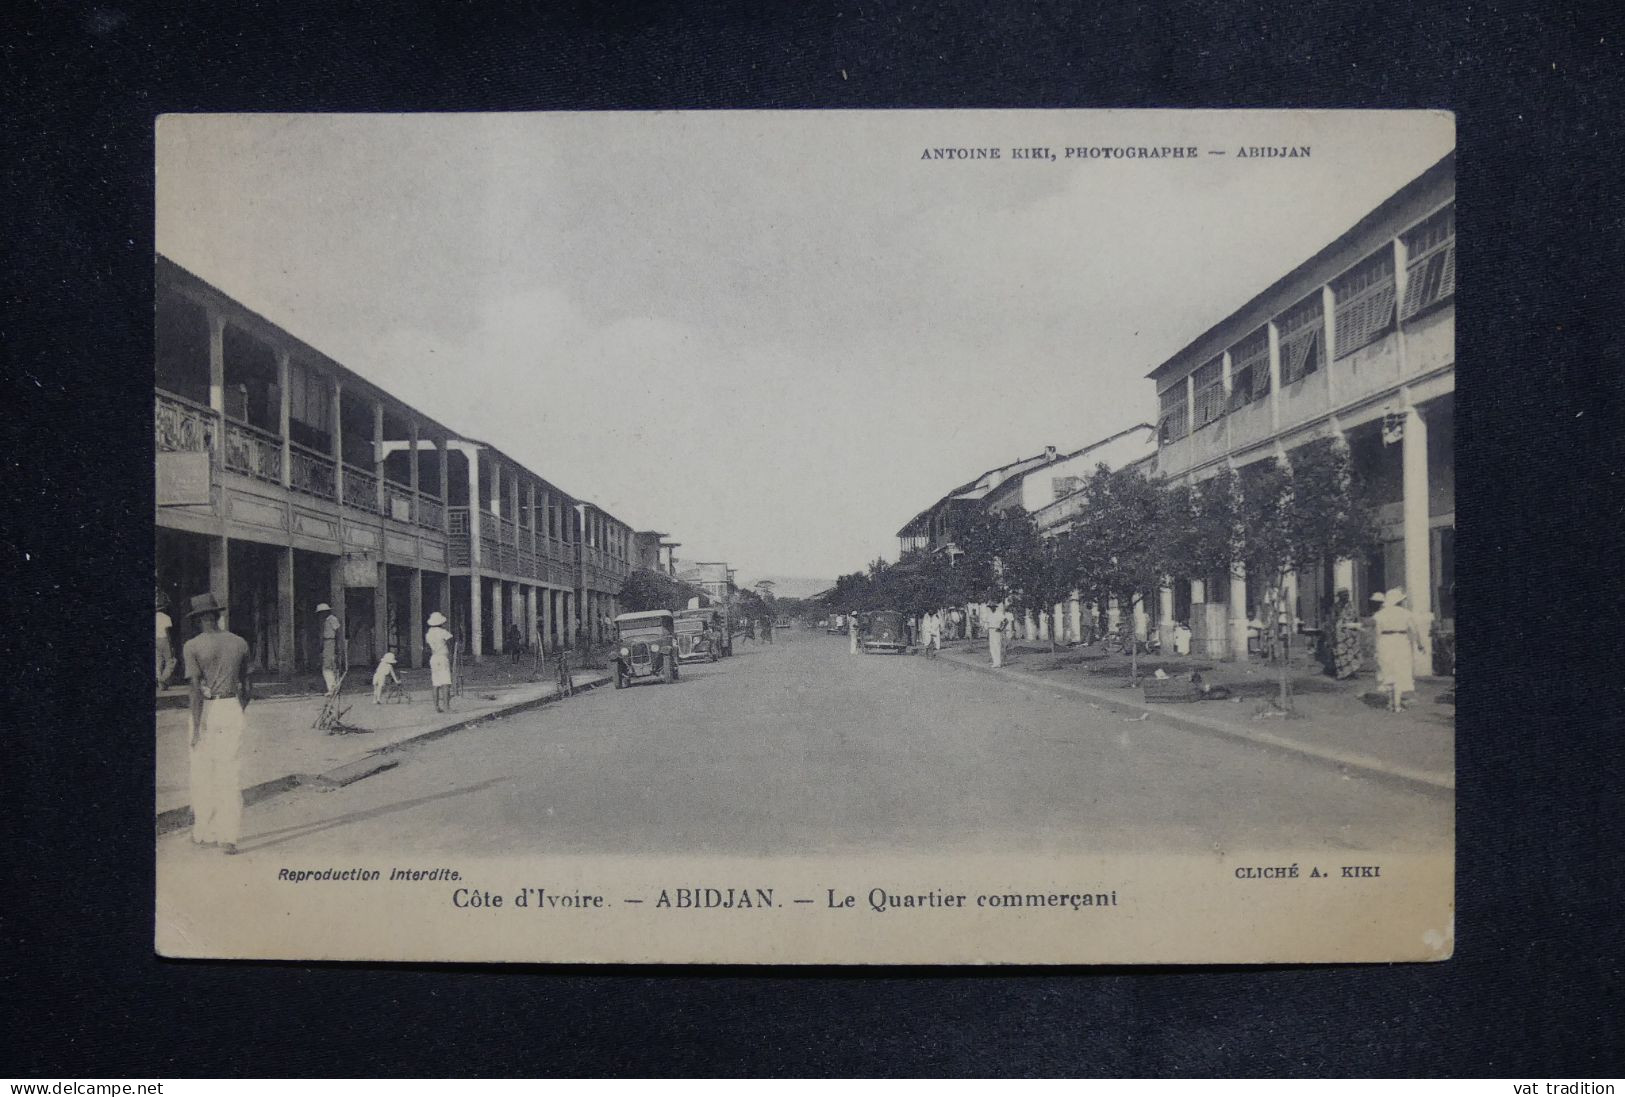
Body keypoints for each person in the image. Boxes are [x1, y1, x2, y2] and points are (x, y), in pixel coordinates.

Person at [181, 592, 251, 854]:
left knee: (202, 773)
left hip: (207, 711)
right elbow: (249, 687)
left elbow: (195, 690)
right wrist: (235, 709)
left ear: (199, 619)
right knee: (230, 772)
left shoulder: (193, 646)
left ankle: (203, 832)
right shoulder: (239, 643)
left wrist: (197, 727)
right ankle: (229, 837)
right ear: (218, 615)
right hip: (231, 707)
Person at [1373, 588, 1424, 711]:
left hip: (1385, 642)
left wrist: (1376, 648)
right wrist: (1419, 644)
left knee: (1388, 670)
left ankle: (1391, 702)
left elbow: (1377, 632)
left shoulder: (1380, 614)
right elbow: (1414, 630)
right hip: (1401, 641)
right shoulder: (1406, 613)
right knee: (1400, 671)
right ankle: (1397, 704)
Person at [1328, 589, 1363, 680]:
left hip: (1351, 631)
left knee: (1353, 651)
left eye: (1347, 595)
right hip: (1340, 632)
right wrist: (1332, 632)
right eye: (1344, 595)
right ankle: (1343, 674)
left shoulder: (1352, 605)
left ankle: (1353, 672)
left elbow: (1356, 616)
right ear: (1340, 596)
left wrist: (1357, 626)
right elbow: (1332, 619)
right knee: (1341, 652)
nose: (1346, 597)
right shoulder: (1336, 606)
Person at [425, 610, 454, 713]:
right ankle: (447, 707)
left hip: (434, 658)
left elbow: (428, 647)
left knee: (436, 683)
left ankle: (436, 706)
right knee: (445, 683)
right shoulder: (443, 632)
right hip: (442, 657)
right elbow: (451, 642)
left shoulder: (429, 633)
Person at [316, 602, 342, 695]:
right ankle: (333, 687)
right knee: (327, 665)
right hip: (326, 642)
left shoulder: (332, 619)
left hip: (331, 641)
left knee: (328, 666)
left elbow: (338, 632)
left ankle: (332, 688)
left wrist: (337, 646)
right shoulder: (325, 621)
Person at [155, 590, 176, 690]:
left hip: (156, 640)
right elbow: (168, 632)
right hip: (164, 640)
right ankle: (163, 679)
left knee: (158, 662)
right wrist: (171, 645)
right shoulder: (166, 617)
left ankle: (160, 683)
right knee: (170, 661)